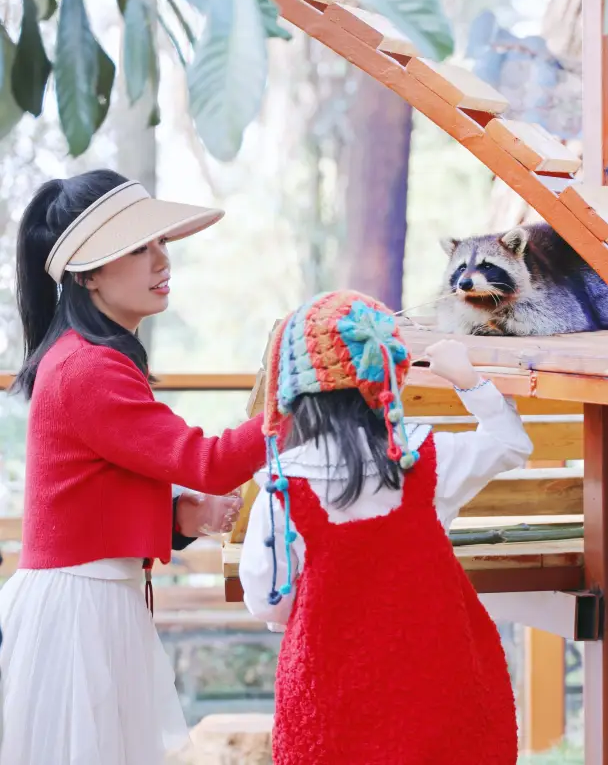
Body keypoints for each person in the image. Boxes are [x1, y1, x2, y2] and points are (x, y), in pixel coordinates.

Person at [0, 170, 272, 765]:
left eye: (161, 243)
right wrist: (301, 403)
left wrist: (178, 516)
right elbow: (209, 461)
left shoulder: (82, 359)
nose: (161, 260)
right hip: (78, 618)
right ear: (87, 274)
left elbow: (89, 494)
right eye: (137, 248)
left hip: (94, 605)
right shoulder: (87, 370)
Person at [240, 290, 534, 765]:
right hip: (434, 681)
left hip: (331, 693)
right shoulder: (425, 462)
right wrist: (467, 379)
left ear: (294, 388)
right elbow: (509, 443)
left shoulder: (283, 485)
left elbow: (265, 598)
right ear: (388, 371)